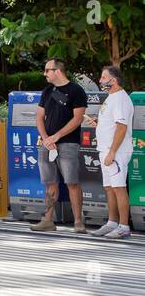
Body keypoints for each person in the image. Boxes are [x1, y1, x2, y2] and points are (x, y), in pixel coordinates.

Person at [30, 58, 88, 233]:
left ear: (58, 71)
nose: (45, 73)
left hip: (68, 144)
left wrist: (57, 136)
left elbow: (78, 118)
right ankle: (48, 220)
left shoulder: (76, 91)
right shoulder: (47, 91)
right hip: (47, 145)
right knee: (50, 183)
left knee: (72, 182)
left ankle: (78, 222)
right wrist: (46, 138)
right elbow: (39, 117)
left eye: (48, 70)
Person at [88, 65, 133, 239]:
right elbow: (113, 124)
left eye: (103, 77)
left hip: (116, 152)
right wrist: (99, 124)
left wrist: (113, 151)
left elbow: (122, 127)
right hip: (105, 150)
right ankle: (112, 223)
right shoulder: (111, 97)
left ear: (113, 80)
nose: (100, 81)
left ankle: (123, 226)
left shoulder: (120, 98)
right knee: (109, 188)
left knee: (119, 188)